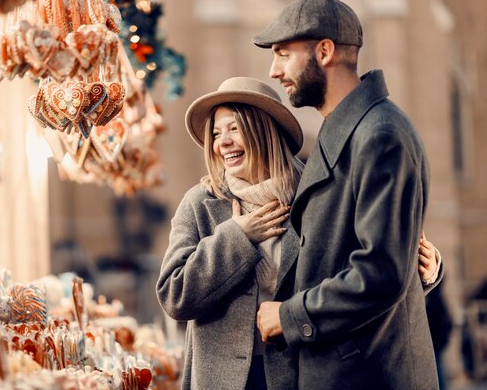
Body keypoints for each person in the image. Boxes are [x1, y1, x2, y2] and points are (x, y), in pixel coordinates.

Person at [156, 76, 442, 390]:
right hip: (222, 380)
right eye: (215, 133)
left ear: (264, 129)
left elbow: (358, 279)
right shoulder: (201, 203)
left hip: (304, 374)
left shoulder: (319, 194)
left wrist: (422, 275)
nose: (221, 142)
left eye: (234, 128)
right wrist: (237, 237)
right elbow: (174, 295)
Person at [253, 0, 439, 389]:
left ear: (324, 51)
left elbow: (379, 273)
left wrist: (288, 316)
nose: (274, 70)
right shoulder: (349, 129)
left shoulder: (380, 136)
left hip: (367, 375)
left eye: (284, 54)